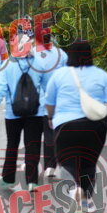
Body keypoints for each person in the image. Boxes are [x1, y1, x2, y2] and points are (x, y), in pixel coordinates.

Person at [44, 39, 107, 213]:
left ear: (70, 54)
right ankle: (86, 198)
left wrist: (51, 117)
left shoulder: (59, 75)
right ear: (90, 54)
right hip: (95, 125)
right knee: (89, 162)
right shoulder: (101, 75)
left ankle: (76, 188)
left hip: (65, 125)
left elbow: (49, 102)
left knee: (66, 159)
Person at [0, 34, 54, 193]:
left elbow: (1, 88)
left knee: (12, 145)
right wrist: (50, 111)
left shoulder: (7, 64)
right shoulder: (39, 63)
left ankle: (8, 178)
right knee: (33, 145)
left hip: (13, 112)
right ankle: (32, 182)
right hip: (36, 112)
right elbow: (48, 88)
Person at [33, 29, 67, 179]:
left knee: (36, 135)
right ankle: (51, 165)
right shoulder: (61, 54)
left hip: (36, 101)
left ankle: (36, 165)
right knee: (53, 133)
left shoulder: (32, 54)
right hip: (57, 100)